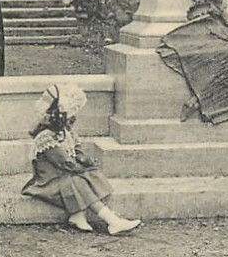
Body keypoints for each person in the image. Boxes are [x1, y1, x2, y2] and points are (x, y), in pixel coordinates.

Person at [22, 84, 141, 235]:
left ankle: (77, 215)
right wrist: (80, 168)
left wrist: (84, 160)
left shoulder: (66, 132)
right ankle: (113, 221)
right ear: (59, 116)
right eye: (69, 116)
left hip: (63, 176)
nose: (73, 119)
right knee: (78, 180)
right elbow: (63, 162)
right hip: (49, 182)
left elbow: (76, 151)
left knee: (89, 174)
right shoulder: (46, 137)